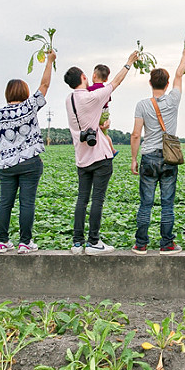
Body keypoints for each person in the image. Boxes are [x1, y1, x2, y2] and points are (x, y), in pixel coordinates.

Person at [64, 49, 138, 255]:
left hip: (81, 158)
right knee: (98, 199)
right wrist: (128, 62)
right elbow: (116, 82)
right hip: (100, 157)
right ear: (83, 77)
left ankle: (77, 243)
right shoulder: (93, 96)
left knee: (82, 199)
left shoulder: (69, 100)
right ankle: (93, 242)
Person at [0, 49, 57, 254]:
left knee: (5, 203)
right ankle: (24, 243)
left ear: (8, 93)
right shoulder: (29, 107)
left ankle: (2, 242)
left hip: (7, 164)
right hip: (30, 163)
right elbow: (44, 85)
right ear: (24, 92)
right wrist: (50, 61)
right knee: (26, 203)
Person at [129, 47, 185, 255]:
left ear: (150, 83)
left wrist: (133, 159)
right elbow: (179, 75)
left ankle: (141, 244)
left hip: (148, 156)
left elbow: (136, 134)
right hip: (168, 157)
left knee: (145, 204)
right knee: (167, 204)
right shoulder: (174, 99)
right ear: (166, 85)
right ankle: (167, 245)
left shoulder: (141, 105)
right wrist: (184, 56)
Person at [87, 64, 118, 156]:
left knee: (94, 134)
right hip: (105, 113)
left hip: (96, 113)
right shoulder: (105, 90)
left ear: (94, 75)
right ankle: (112, 149)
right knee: (104, 134)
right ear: (106, 79)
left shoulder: (89, 89)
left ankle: (103, 152)